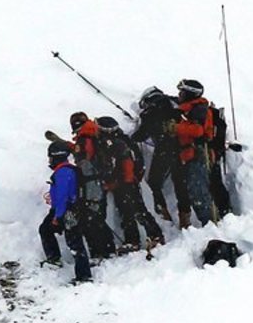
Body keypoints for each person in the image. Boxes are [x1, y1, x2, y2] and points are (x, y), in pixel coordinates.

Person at [96, 116, 165, 253]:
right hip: (126, 183)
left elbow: (125, 165)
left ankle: (149, 237)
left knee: (135, 211)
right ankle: (141, 238)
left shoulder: (116, 144)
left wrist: (117, 183)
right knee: (131, 211)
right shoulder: (122, 140)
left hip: (125, 184)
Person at [132, 87, 192, 227]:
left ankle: (163, 215)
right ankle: (185, 218)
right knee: (180, 184)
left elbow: (141, 135)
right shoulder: (174, 105)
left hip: (164, 149)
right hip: (181, 148)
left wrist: (132, 135)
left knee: (154, 182)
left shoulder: (150, 112)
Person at [39, 141, 92, 283]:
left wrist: (57, 216)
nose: (49, 160)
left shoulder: (63, 172)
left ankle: (84, 275)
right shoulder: (66, 170)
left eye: (50, 157)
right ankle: (54, 259)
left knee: (74, 242)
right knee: (45, 229)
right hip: (65, 210)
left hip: (68, 212)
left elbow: (63, 196)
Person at [69, 112, 116, 259]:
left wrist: (87, 193)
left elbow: (86, 165)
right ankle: (108, 250)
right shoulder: (94, 134)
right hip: (99, 183)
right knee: (98, 218)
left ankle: (99, 253)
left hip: (91, 186)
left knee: (91, 221)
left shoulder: (84, 139)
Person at [173, 79, 215, 227]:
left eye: (182, 92)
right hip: (187, 155)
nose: (179, 95)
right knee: (190, 189)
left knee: (198, 191)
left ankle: (209, 224)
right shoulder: (189, 108)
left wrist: (176, 128)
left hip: (197, 154)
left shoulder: (198, 110)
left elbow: (198, 130)